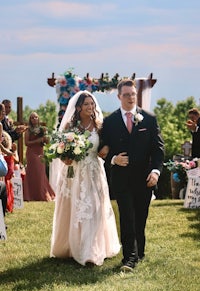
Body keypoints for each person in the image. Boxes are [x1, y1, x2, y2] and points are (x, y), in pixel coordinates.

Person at [99, 79, 164, 272]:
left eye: (133, 94)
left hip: (144, 179)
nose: (130, 97)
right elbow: (102, 150)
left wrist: (156, 171)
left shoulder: (149, 119)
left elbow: (158, 149)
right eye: (126, 94)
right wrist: (113, 159)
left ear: (136, 95)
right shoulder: (109, 122)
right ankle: (129, 258)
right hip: (121, 179)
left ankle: (139, 251)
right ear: (119, 97)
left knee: (140, 218)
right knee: (127, 217)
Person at [50, 91, 121, 266]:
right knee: (76, 207)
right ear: (79, 107)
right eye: (87, 104)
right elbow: (61, 150)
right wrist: (65, 158)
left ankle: (91, 250)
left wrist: (106, 148)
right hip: (74, 173)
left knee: (95, 208)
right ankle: (73, 246)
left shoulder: (99, 126)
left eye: (92, 104)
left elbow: (108, 144)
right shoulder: (69, 127)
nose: (91, 107)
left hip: (94, 171)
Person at [23, 112, 55, 201]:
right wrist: (37, 140)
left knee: (41, 173)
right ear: (30, 119)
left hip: (40, 152)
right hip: (31, 153)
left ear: (38, 118)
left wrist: (46, 138)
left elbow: (47, 142)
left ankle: (42, 194)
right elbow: (26, 143)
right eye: (32, 117)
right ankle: (31, 195)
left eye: (36, 117)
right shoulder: (28, 130)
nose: (34, 119)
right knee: (33, 172)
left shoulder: (42, 129)